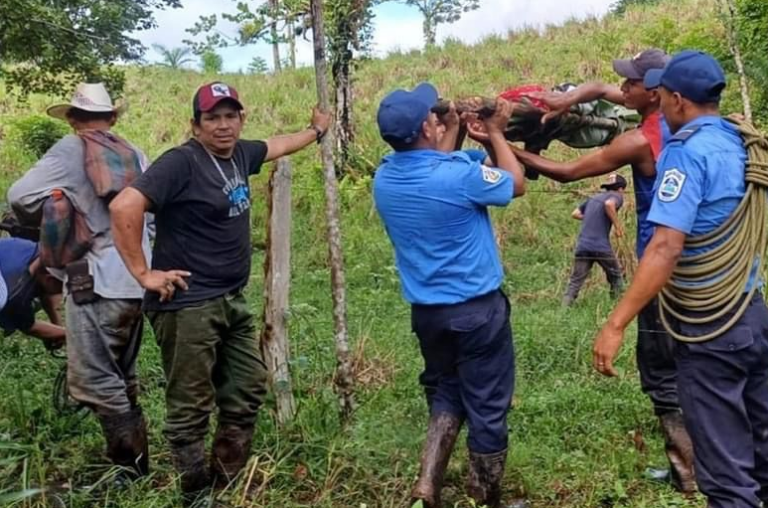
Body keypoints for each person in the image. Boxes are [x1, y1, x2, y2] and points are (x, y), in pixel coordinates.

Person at [109, 81, 331, 503]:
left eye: (231, 116)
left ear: (241, 119)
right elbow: (124, 206)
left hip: (231, 299)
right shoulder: (181, 163)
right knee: (190, 406)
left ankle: (225, 483)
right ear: (195, 125)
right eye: (212, 118)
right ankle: (195, 493)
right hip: (188, 305)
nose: (223, 125)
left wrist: (315, 131)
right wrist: (143, 273)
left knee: (248, 388)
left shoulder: (240, 154)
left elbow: (277, 144)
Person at [510, 49, 696, 492]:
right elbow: (602, 90)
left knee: (661, 370)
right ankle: (707, 461)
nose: (623, 89)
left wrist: (506, 148)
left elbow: (568, 172)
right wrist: (570, 98)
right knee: (701, 365)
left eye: (631, 84)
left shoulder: (641, 140)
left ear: (655, 94)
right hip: (703, 265)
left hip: (662, 268)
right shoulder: (692, 116)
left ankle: (688, 473)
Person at [593, 50, 768, 508]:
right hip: (752, 313)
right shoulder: (741, 141)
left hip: (709, 327)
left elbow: (666, 246)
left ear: (675, 99)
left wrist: (615, 324)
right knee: (763, 456)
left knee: (727, 477)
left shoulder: (684, 153)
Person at [373, 82, 527, 508]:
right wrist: (495, 131)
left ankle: (427, 484)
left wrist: (455, 126)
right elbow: (515, 184)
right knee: (488, 404)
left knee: (446, 389)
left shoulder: (385, 177)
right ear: (427, 126)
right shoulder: (459, 176)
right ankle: (486, 497)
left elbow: (432, 166)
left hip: (428, 314)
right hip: (478, 312)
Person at [8, 83, 152, 479]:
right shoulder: (136, 154)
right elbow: (153, 216)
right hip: (138, 281)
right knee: (123, 373)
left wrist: (60, 203)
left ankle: (130, 471)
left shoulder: (70, 149)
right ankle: (138, 465)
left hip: (94, 283)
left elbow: (19, 196)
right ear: (113, 118)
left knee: (96, 379)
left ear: (72, 118)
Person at [562, 173, 626, 306]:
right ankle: (616, 306)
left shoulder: (594, 198)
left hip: (583, 245)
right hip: (601, 246)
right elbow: (609, 205)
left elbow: (575, 214)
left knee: (575, 281)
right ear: (621, 189)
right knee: (616, 276)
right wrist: (618, 226)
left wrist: (593, 217)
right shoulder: (617, 196)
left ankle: (564, 310)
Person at [0, 237, 65, 349]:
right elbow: (30, 327)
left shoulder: (32, 251)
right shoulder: (15, 296)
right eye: (62, 287)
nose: (63, 292)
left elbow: (46, 290)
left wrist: (57, 327)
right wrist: (70, 335)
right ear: (49, 279)